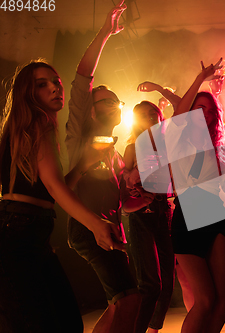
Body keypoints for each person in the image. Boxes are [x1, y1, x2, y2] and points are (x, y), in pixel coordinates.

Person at [0, 60, 124, 333]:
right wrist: (96, 224)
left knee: (65, 322)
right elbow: (55, 190)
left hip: (29, 234)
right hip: (18, 235)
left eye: (55, 82)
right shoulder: (39, 124)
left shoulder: (30, 127)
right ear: (27, 93)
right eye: (42, 84)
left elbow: (49, 192)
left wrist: (81, 166)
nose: (55, 88)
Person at [65, 2, 142, 332]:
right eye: (107, 101)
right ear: (92, 111)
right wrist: (106, 32)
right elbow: (83, 78)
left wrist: (143, 198)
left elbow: (123, 201)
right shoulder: (79, 135)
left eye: (117, 101)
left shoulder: (114, 151)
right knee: (128, 299)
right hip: (87, 228)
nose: (115, 105)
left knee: (127, 301)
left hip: (109, 227)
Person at [164, 58, 225, 333]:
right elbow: (179, 112)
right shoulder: (178, 140)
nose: (202, 113)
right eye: (197, 108)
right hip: (188, 215)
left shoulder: (219, 147)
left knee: (222, 303)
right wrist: (201, 78)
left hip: (215, 216)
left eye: (208, 109)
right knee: (204, 300)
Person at [122, 100, 175, 333]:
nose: (148, 118)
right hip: (141, 216)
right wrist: (135, 186)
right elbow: (125, 191)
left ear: (160, 116)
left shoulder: (169, 145)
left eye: (152, 114)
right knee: (151, 284)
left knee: (167, 284)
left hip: (164, 214)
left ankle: (152, 329)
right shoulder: (132, 148)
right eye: (142, 115)